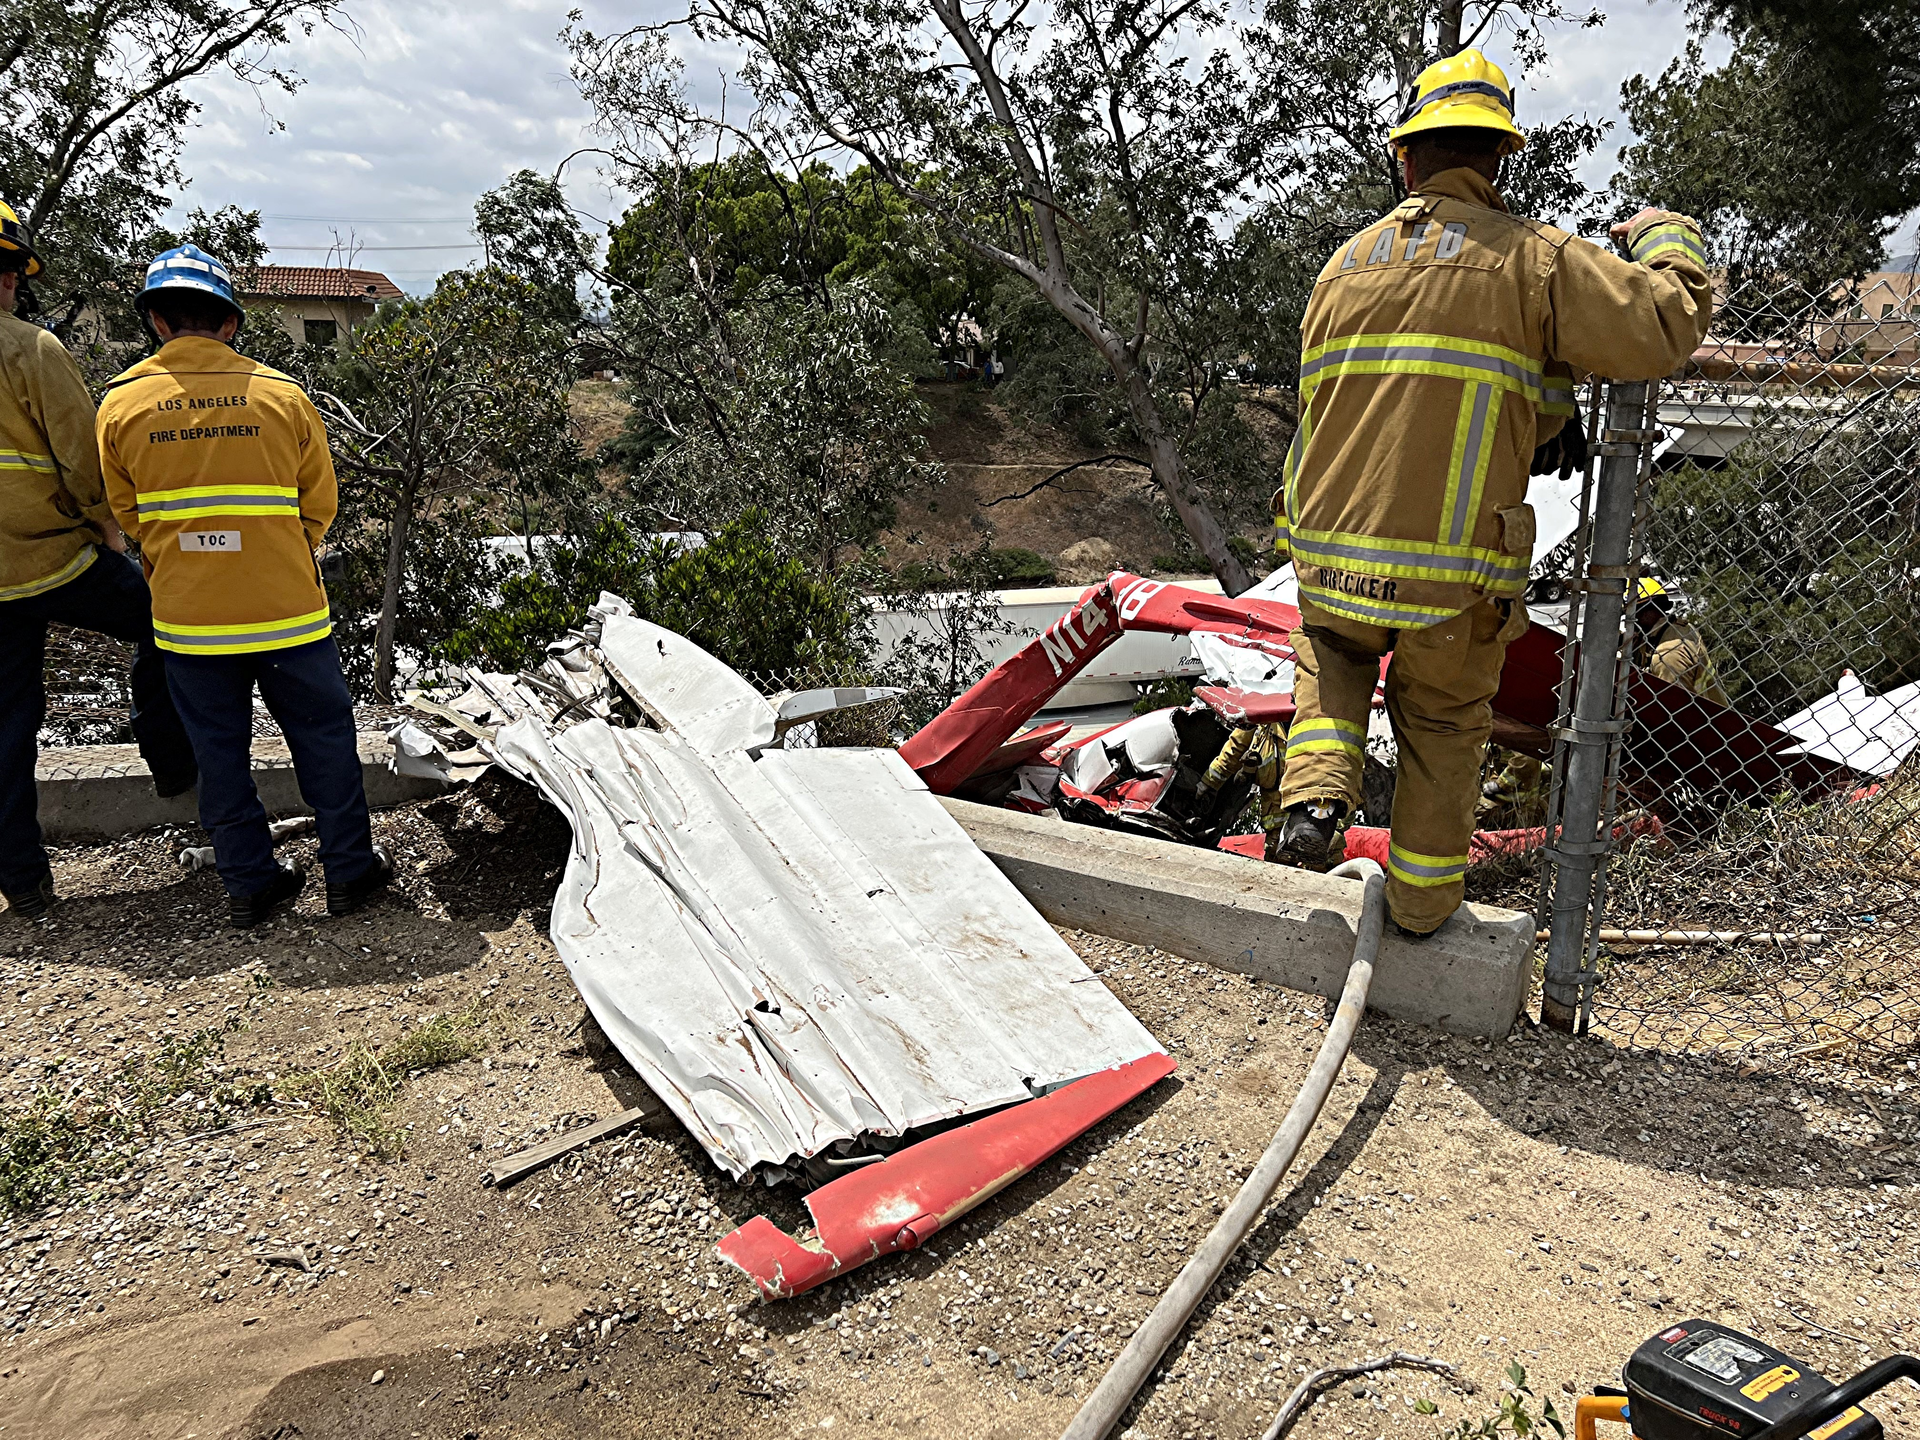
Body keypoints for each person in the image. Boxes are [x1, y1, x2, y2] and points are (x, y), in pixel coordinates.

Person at [1267, 48, 1714, 937]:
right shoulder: (1534, 263)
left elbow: (1366, 399)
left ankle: (1313, 801)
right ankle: (1422, 914)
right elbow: (1663, 324)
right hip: (1451, 577)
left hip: (1331, 553)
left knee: (1332, 659)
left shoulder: (1341, 266)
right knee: (1442, 727)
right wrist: (1667, 236)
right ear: (1499, 158)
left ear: (1407, 158)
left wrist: (1545, 396)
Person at [96, 245, 393, 928]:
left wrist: (190, 554)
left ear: (157, 322)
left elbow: (128, 514)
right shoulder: (281, 396)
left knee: (218, 753)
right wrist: (275, 552)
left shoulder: (119, 405)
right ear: (230, 322)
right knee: (324, 741)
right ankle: (349, 871)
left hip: (190, 622)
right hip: (287, 613)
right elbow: (319, 505)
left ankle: (249, 883)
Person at [0, 202, 197, 922]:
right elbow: (83, 460)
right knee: (165, 620)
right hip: (53, 556)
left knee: (7, 724)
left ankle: (23, 881)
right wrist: (110, 530)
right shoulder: (31, 350)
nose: (13, 283)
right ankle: (173, 765)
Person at [1634, 578, 1729, 705]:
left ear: (1645, 612)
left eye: (1633, 614)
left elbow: (1672, 708)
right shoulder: (1677, 629)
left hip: (1698, 715)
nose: (1629, 622)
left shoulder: (1667, 656)